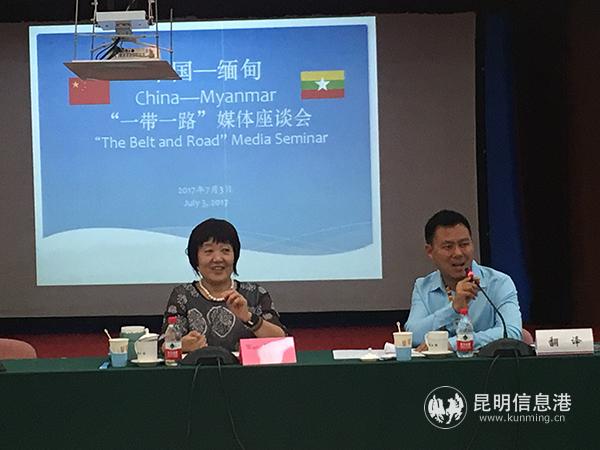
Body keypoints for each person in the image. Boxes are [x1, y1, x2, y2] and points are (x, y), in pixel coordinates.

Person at [160, 218, 287, 353]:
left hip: (244, 367)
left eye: (225, 250)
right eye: (209, 251)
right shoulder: (182, 295)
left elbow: (282, 339)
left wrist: (248, 317)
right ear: (195, 258)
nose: (217, 259)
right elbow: (164, 345)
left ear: (235, 256)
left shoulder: (255, 293)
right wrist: (181, 345)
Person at [405, 210, 522, 351]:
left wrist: (453, 344)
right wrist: (453, 308)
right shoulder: (423, 287)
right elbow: (412, 336)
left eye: (464, 244)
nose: (458, 253)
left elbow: (511, 333)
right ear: (430, 251)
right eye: (448, 247)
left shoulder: (499, 283)